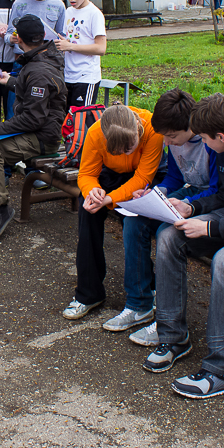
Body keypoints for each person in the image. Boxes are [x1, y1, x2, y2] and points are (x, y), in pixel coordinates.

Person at [143, 93, 224, 400]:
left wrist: (209, 226)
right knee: (168, 235)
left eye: (203, 138)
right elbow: (223, 197)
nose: (201, 144)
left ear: (221, 136)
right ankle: (173, 337)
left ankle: (223, 369)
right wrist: (193, 208)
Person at [108, 89, 219, 346]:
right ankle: (139, 304)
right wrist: (155, 194)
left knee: (166, 233)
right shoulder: (174, 139)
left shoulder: (209, 142)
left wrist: (188, 204)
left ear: (190, 127)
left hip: (205, 200)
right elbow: (176, 177)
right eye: (164, 137)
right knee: (133, 220)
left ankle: (167, 318)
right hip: (187, 193)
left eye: (171, 137)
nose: (167, 143)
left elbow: (217, 189)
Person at [0, 14, 67, 243]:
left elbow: (33, 119)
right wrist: (9, 81)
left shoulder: (39, 70)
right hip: (32, 130)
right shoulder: (39, 58)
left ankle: (0, 208)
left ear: (19, 39)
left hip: (41, 137)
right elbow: (31, 89)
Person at [62, 104, 165, 320]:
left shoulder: (153, 128)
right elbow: (87, 173)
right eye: (117, 151)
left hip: (145, 178)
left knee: (135, 220)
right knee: (87, 210)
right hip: (111, 176)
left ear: (138, 128)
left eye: (130, 148)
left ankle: (148, 286)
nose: (125, 153)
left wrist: (110, 199)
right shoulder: (95, 132)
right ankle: (88, 293)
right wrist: (93, 192)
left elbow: (142, 178)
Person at [54, 0, 106, 108]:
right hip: (67, 76)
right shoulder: (69, 11)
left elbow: (101, 48)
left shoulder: (94, 14)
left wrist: (70, 46)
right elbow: (70, 39)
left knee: (81, 122)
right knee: (66, 122)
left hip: (86, 78)